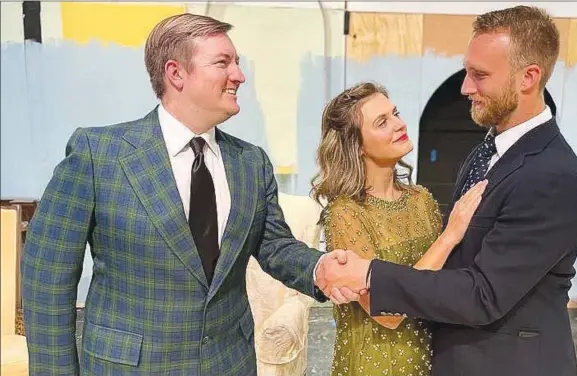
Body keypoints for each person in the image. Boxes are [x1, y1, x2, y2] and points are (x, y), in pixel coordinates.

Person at [20, 13, 355, 376]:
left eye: (238, 63)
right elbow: (47, 277)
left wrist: (319, 268)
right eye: (223, 62)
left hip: (229, 364)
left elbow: (274, 245)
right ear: (176, 73)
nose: (239, 75)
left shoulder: (250, 162)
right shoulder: (98, 154)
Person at [316, 6, 577, 376]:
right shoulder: (486, 151)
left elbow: (484, 294)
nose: (465, 87)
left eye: (479, 75)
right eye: (467, 71)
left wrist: (370, 276)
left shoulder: (553, 176)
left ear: (528, 77)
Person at [311, 81, 487, 376]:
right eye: (382, 122)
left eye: (395, 113)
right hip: (373, 365)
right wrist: (449, 237)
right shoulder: (346, 214)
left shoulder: (421, 200)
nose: (399, 124)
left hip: (431, 358)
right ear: (357, 145)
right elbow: (387, 314)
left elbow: (442, 286)